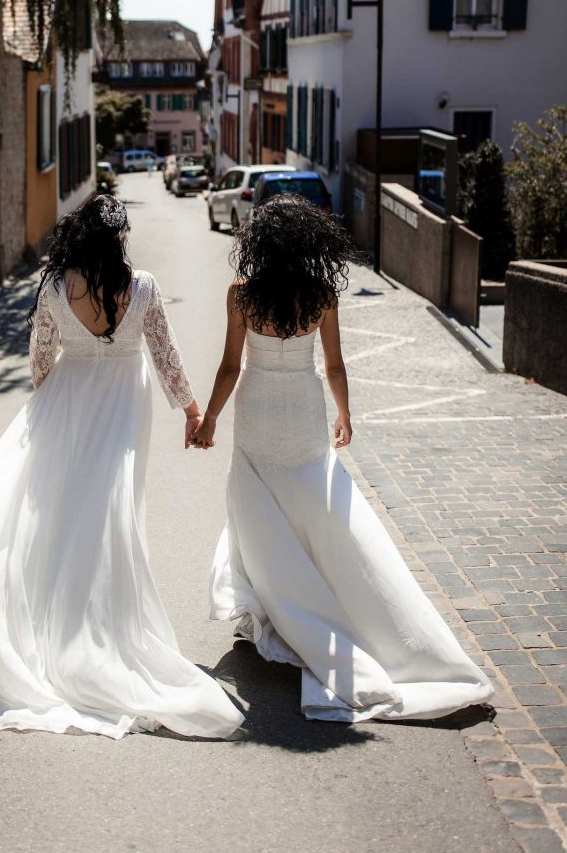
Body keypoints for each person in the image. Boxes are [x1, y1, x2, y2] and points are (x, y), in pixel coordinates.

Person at [0, 194, 243, 740]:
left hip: (68, 401)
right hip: (123, 407)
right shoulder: (141, 285)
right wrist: (192, 411)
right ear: (119, 238)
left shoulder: (54, 285)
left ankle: (46, 625)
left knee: (59, 512)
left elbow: (40, 359)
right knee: (109, 514)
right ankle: (96, 629)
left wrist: (57, 407)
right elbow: (165, 353)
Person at [193, 195, 493, 723]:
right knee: (311, 503)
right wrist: (344, 414)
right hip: (306, 409)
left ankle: (270, 607)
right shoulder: (322, 293)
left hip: (259, 409)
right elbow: (334, 365)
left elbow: (228, 366)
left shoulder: (241, 295)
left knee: (258, 507)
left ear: (259, 244)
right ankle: (303, 600)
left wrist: (211, 418)